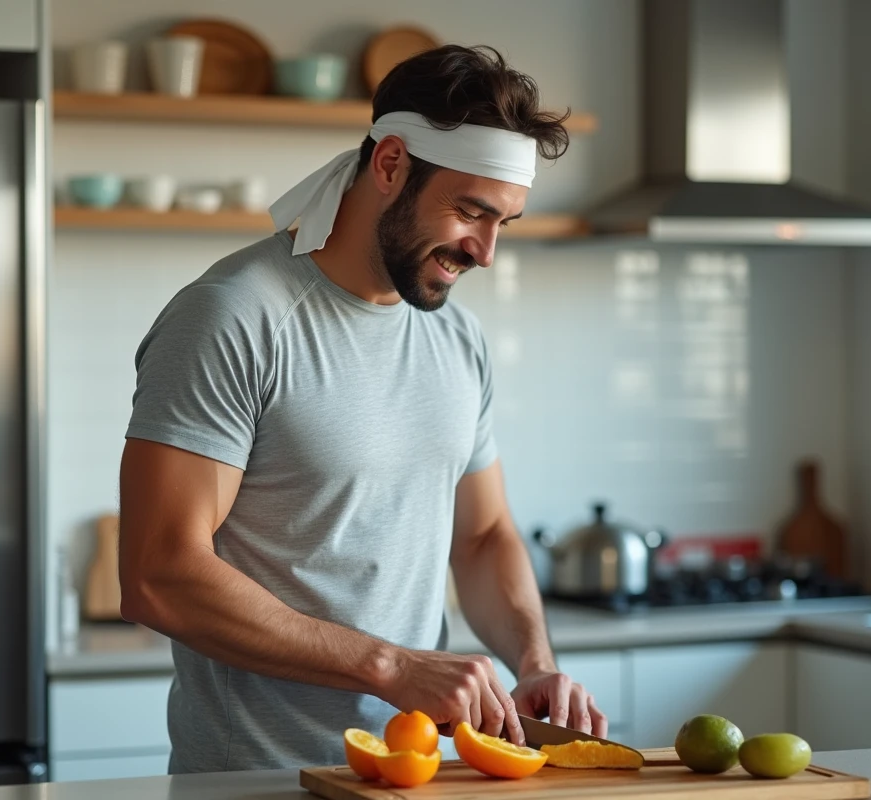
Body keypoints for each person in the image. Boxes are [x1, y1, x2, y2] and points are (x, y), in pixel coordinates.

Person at [117, 44, 607, 773]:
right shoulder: (233, 319)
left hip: (414, 776)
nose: (486, 251)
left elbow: (482, 538)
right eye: (471, 212)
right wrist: (392, 668)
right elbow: (159, 574)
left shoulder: (455, 336)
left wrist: (534, 662)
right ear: (390, 166)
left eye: (504, 221)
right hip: (260, 785)